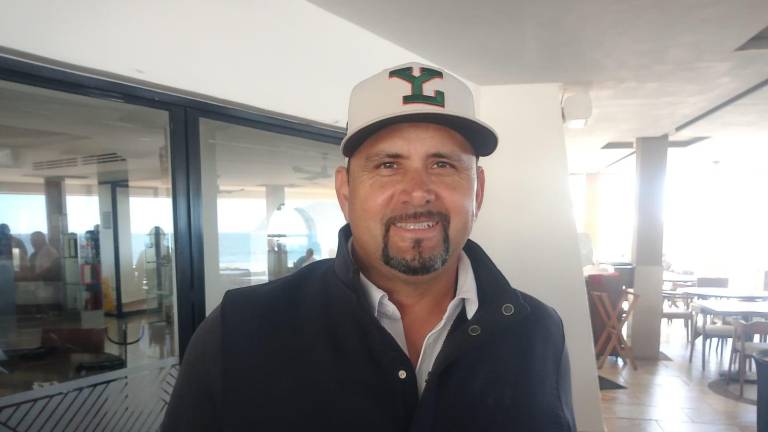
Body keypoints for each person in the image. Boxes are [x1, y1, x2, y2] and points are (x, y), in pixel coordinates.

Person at [163, 62, 576, 431]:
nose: (417, 192)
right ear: (345, 192)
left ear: (477, 191)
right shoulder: (240, 331)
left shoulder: (538, 332)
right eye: (388, 165)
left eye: (443, 164)